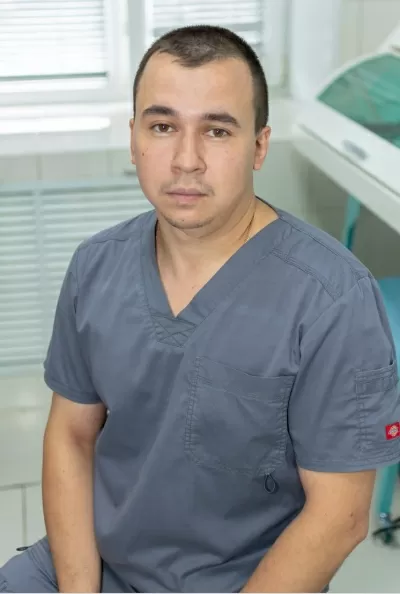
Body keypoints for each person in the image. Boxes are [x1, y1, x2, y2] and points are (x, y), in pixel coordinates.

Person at [1, 24, 400, 594]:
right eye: (163, 127)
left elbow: (340, 516)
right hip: (94, 560)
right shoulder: (96, 265)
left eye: (217, 130)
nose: (186, 160)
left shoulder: (332, 299)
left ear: (259, 146)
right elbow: (71, 434)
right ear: (134, 138)